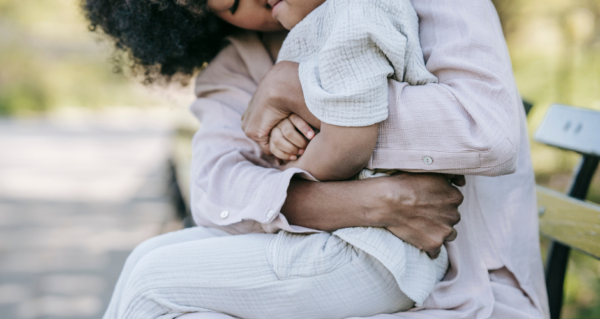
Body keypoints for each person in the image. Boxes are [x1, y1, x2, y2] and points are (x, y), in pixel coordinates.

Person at [84, 0, 550, 318]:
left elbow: (486, 132)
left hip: (469, 293)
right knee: (162, 273)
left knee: (152, 279)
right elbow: (216, 189)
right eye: (232, 3)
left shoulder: (368, 13)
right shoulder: (237, 60)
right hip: (363, 263)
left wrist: (297, 90)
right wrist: (372, 202)